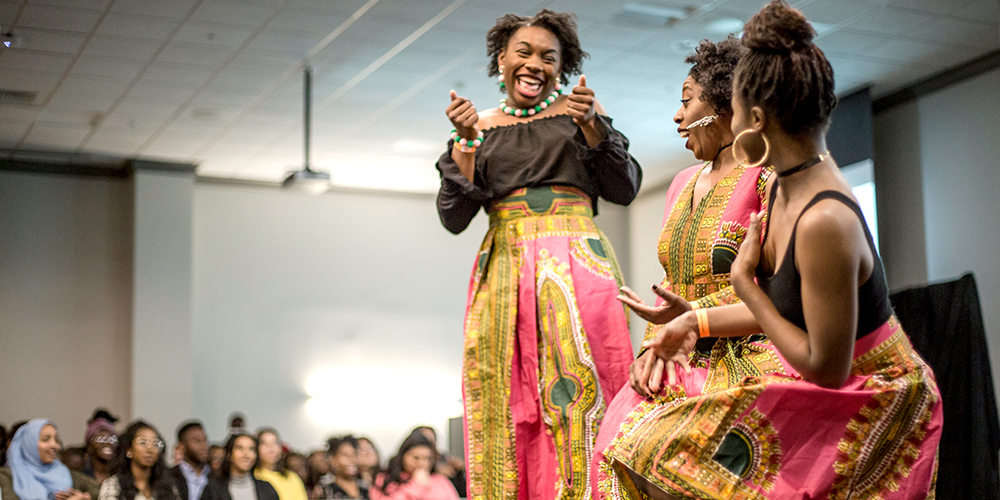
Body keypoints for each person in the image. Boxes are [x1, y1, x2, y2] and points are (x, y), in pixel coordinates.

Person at [600, 2, 943, 498]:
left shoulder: (823, 217)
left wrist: (741, 287)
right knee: (640, 448)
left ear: (753, 119)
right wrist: (689, 322)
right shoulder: (788, 186)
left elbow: (827, 366)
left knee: (668, 453)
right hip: (823, 375)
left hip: (872, 399)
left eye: (732, 108)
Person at [436, 10, 641, 500]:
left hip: (578, 260)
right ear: (501, 59)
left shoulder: (579, 115)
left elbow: (624, 186)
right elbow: (454, 217)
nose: (534, 64)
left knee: (586, 385)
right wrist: (465, 145)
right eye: (523, 52)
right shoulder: (478, 128)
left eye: (549, 57)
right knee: (510, 396)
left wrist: (592, 125)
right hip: (506, 268)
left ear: (563, 66)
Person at [590, 34, 785, 496]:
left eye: (686, 101)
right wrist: (654, 340)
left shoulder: (768, 176)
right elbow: (674, 284)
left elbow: (781, 294)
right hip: (680, 352)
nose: (677, 115)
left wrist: (694, 319)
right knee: (621, 452)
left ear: (724, 103)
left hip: (748, 354)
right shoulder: (681, 182)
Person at [0, 420, 99, 500]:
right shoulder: (7, 476)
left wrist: (86, 497)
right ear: (28, 444)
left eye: (56, 440)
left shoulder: (62, 472)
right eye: (45, 439)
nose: (54, 445)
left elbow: (99, 488)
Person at [97, 421, 178, 500]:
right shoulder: (114, 485)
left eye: (155, 443)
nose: (150, 448)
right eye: (143, 442)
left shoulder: (167, 486)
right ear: (129, 451)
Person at [369, 434, 457, 500]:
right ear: (403, 456)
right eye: (416, 458)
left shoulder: (440, 480)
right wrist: (417, 485)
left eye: (427, 458)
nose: (422, 463)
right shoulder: (384, 479)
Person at [203, 432, 276, 500]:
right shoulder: (213, 489)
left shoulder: (267, 489)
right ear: (229, 455)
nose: (246, 454)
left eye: (251, 449)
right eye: (240, 448)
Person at [253, 429, 305, 500]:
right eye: (265, 444)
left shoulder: (292, 478)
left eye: (275, 443)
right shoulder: (252, 477)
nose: (271, 448)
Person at [170, 422, 211, 500]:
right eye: (197, 441)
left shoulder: (215, 478)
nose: (204, 446)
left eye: (205, 440)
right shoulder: (169, 477)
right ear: (182, 446)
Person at [81, 418, 117, 484]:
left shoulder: (122, 476)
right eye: (101, 439)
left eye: (112, 439)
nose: (107, 443)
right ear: (89, 446)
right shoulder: (81, 477)